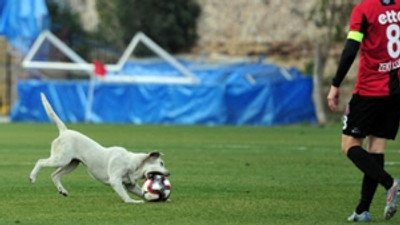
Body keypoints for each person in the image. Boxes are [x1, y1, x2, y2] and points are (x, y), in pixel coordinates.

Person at [327, 0, 400, 222]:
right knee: (375, 149)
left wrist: (335, 83)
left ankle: (391, 184)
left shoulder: (364, 10)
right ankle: (362, 210)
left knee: (349, 146)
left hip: (369, 91)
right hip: (395, 91)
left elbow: (351, 50)